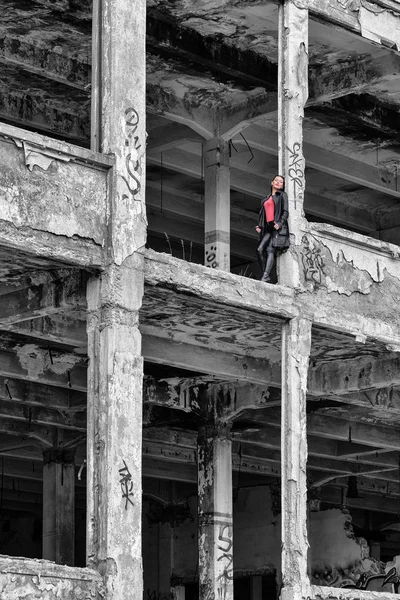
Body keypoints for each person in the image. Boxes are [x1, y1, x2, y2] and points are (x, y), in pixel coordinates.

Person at [255, 175, 289, 283]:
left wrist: (279, 223)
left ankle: (265, 275)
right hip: (267, 227)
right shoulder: (266, 198)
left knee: (270, 250)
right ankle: (266, 274)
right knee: (259, 249)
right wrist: (259, 226)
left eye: (281, 182)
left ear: (283, 186)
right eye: (276, 180)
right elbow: (262, 214)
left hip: (276, 227)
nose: (278, 183)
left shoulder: (282, 195)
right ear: (272, 182)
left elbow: (285, 211)